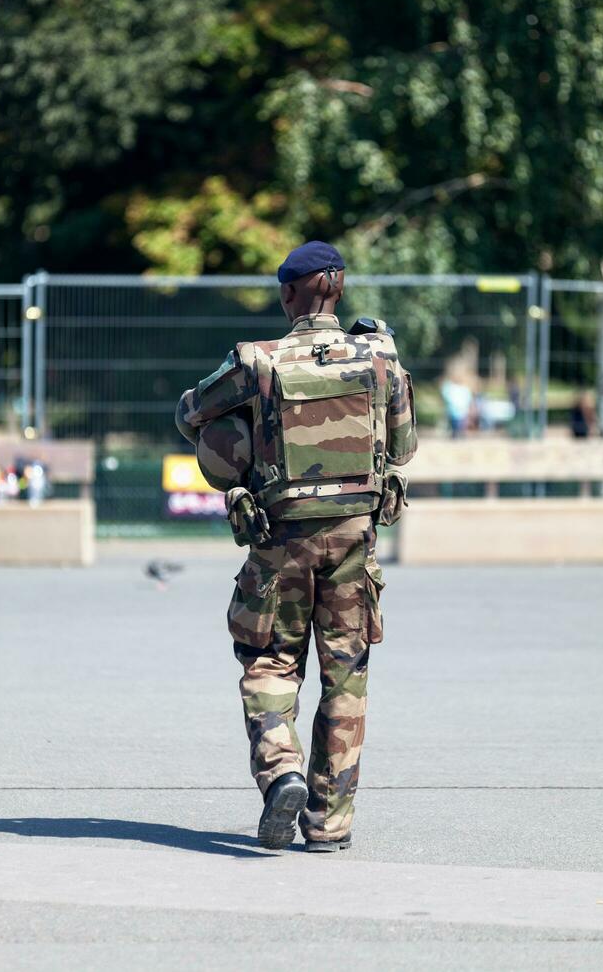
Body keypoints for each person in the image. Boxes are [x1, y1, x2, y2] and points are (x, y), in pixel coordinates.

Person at [176, 241, 417, 852]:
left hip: (279, 541)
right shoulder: (379, 355)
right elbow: (405, 444)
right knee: (346, 677)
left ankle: (281, 769)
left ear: (289, 293)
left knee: (269, 663)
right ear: (337, 290)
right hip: (353, 541)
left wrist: (244, 443)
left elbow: (191, 414)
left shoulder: (257, 360)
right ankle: (328, 822)